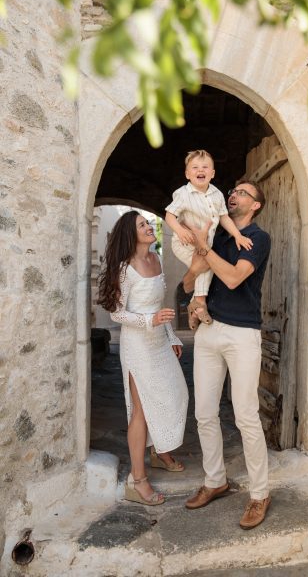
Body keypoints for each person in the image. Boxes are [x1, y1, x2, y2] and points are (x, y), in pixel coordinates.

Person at [182, 180, 271, 530]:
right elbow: (189, 283)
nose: (233, 195)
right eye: (232, 191)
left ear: (255, 205)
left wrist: (205, 251)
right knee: (204, 412)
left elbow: (234, 278)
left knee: (246, 415)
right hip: (208, 331)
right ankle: (215, 480)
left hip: (242, 333)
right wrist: (200, 258)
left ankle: (260, 493)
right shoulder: (217, 235)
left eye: (242, 193)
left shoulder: (258, 238)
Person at [98, 210, 189, 506]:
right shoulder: (125, 268)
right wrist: (150, 321)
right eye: (143, 225)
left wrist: (172, 335)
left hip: (159, 341)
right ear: (130, 233)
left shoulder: (156, 259)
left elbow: (159, 303)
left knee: (177, 395)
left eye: (149, 223)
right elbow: (117, 313)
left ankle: (159, 451)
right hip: (137, 345)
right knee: (140, 410)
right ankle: (138, 481)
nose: (150, 227)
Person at [165, 150, 252, 329]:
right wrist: (180, 230)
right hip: (185, 243)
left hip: (205, 244)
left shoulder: (217, 194)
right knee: (206, 266)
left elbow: (224, 217)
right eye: (195, 167)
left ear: (212, 173)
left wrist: (237, 235)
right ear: (187, 174)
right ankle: (199, 303)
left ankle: (196, 306)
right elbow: (169, 216)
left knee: (207, 266)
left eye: (205, 167)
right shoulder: (183, 193)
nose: (200, 170)